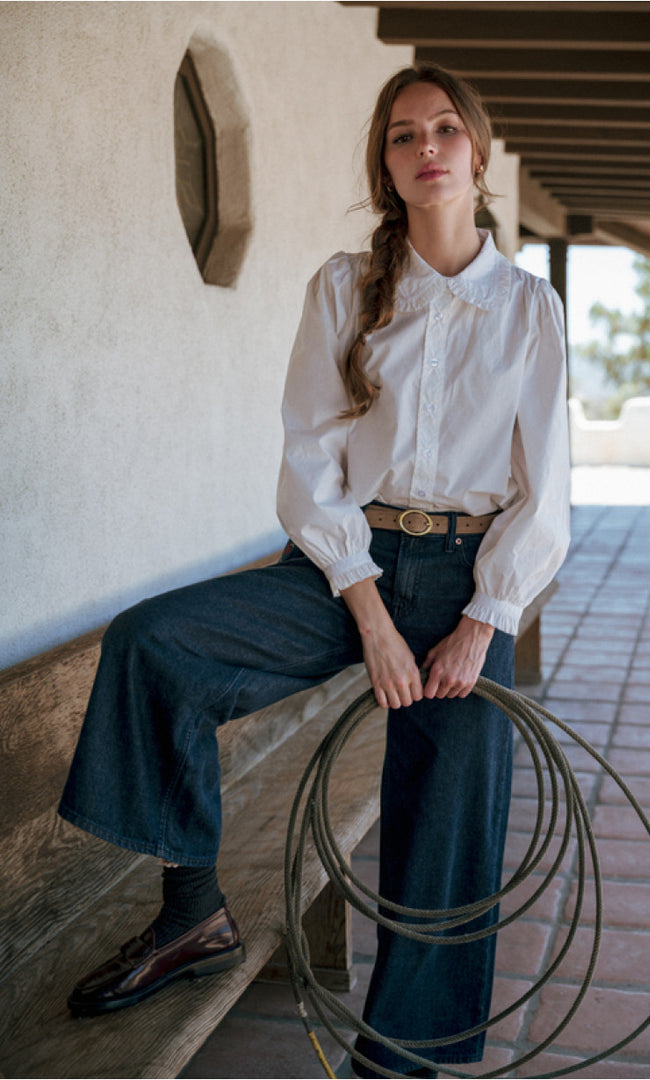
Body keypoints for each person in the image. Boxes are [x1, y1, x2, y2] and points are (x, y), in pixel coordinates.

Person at [58, 63, 570, 1077]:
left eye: (442, 131)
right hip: (349, 569)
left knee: (449, 817)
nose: (425, 148)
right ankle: (193, 916)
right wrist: (371, 613)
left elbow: (543, 491)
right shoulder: (345, 287)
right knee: (154, 646)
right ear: (385, 168)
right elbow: (308, 463)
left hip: (472, 582)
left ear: (476, 151)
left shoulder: (528, 309)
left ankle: (402, 1063)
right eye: (401, 136)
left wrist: (486, 619)